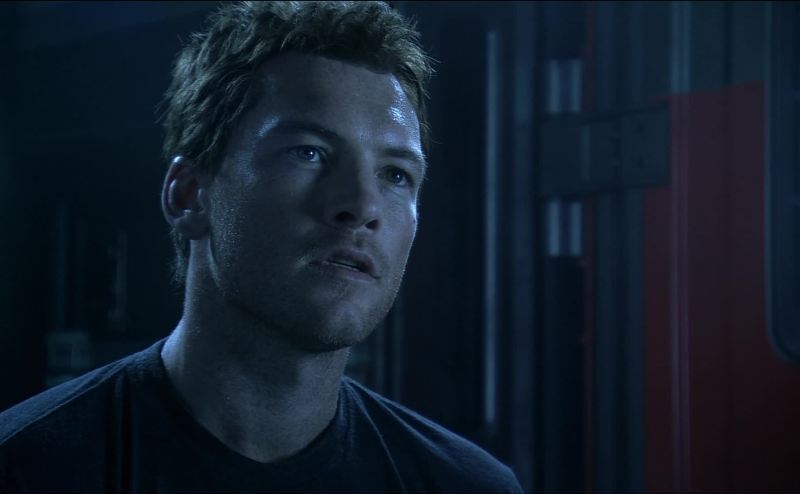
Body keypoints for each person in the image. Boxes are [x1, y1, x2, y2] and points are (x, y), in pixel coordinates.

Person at [0, 2, 523, 492]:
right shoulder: (28, 468)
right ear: (189, 196)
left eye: (395, 174)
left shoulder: (463, 484)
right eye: (309, 152)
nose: (363, 205)